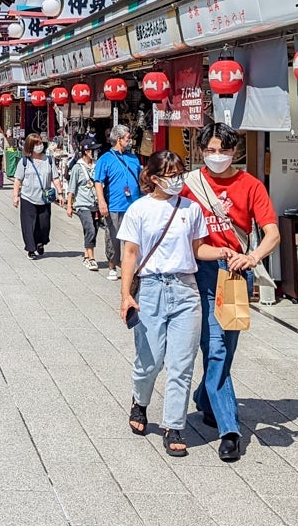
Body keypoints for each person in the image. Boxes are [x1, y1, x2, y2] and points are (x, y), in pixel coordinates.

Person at [181, 121, 281, 463]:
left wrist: (252, 256)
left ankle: (207, 397)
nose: (216, 156)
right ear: (200, 152)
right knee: (217, 348)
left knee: (226, 346)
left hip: (237, 274)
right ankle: (230, 429)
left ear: (235, 151)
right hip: (201, 272)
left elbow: (272, 233)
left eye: (223, 150)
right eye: (209, 150)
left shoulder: (250, 185)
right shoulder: (190, 185)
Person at [118, 150, 209, 455]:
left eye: (181, 172)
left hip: (186, 289)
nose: (178, 179)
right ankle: (139, 401)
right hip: (152, 290)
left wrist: (230, 253)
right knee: (150, 361)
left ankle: (174, 425)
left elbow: (198, 250)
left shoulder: (191, 209)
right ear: (154, 178)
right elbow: (130, 253)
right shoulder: (139, 210)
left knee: (182, 364)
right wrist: (126, 294)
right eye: (171, 174)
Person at [94, 126, 142, 282]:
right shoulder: (105, 159)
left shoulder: (134, 158)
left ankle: (134, 266)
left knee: (134, 238)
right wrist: (101, 201)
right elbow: (98, 182)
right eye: (127, 138)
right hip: (115, 204)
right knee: (113, 236)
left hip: (134, 204)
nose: (130, 141)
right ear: (119, 139)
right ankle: (112, 266)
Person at [13, 133, 58, 258]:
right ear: (30, 146)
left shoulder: (48, 160)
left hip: (44, 198)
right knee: (29, 224)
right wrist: (15, 196)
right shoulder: (24, 162)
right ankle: (31, 249)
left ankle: (40, 241)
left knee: (44, 224)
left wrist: (61, 192)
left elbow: (55, 177)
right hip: (28, 197)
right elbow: (18, 180)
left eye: (40, 142)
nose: (40, 145)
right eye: (36, 143)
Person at [65, 139, 102, 271]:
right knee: (90, 228)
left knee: (94, 230)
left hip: (95, 204)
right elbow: (71, 188)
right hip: (82, 204)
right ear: (86, 151)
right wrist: (69, 205)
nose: (95, 153)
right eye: (93, 150)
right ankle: (92, 259)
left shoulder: (97, 166)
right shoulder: (77, 168)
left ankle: (86, 255)